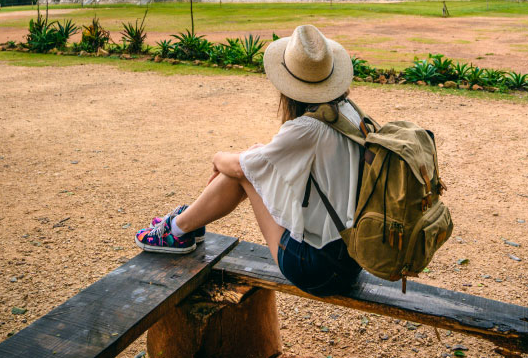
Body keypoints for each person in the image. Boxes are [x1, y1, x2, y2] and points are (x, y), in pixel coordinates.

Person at [135, 24, 363, 297]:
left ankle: (177, 230)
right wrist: (251, 156)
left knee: (242, 170)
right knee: (251, 160)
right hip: (351, 258)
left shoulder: (307, 128)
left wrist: (218, 157)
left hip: (317, 269)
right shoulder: (348, 113)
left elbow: (241, 168)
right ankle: (185, 224)